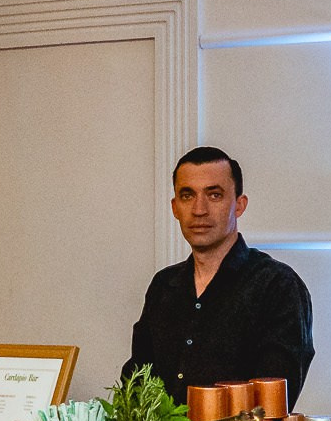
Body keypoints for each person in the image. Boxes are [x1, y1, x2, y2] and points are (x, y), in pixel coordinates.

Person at [123, 146, 314, 405]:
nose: (199, 209)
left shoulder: (277, 286)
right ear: (175, 207)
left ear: (239, 205)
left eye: (214, 195)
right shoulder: (163, 286)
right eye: (187, 196)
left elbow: (272, 404)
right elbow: (136, 386)